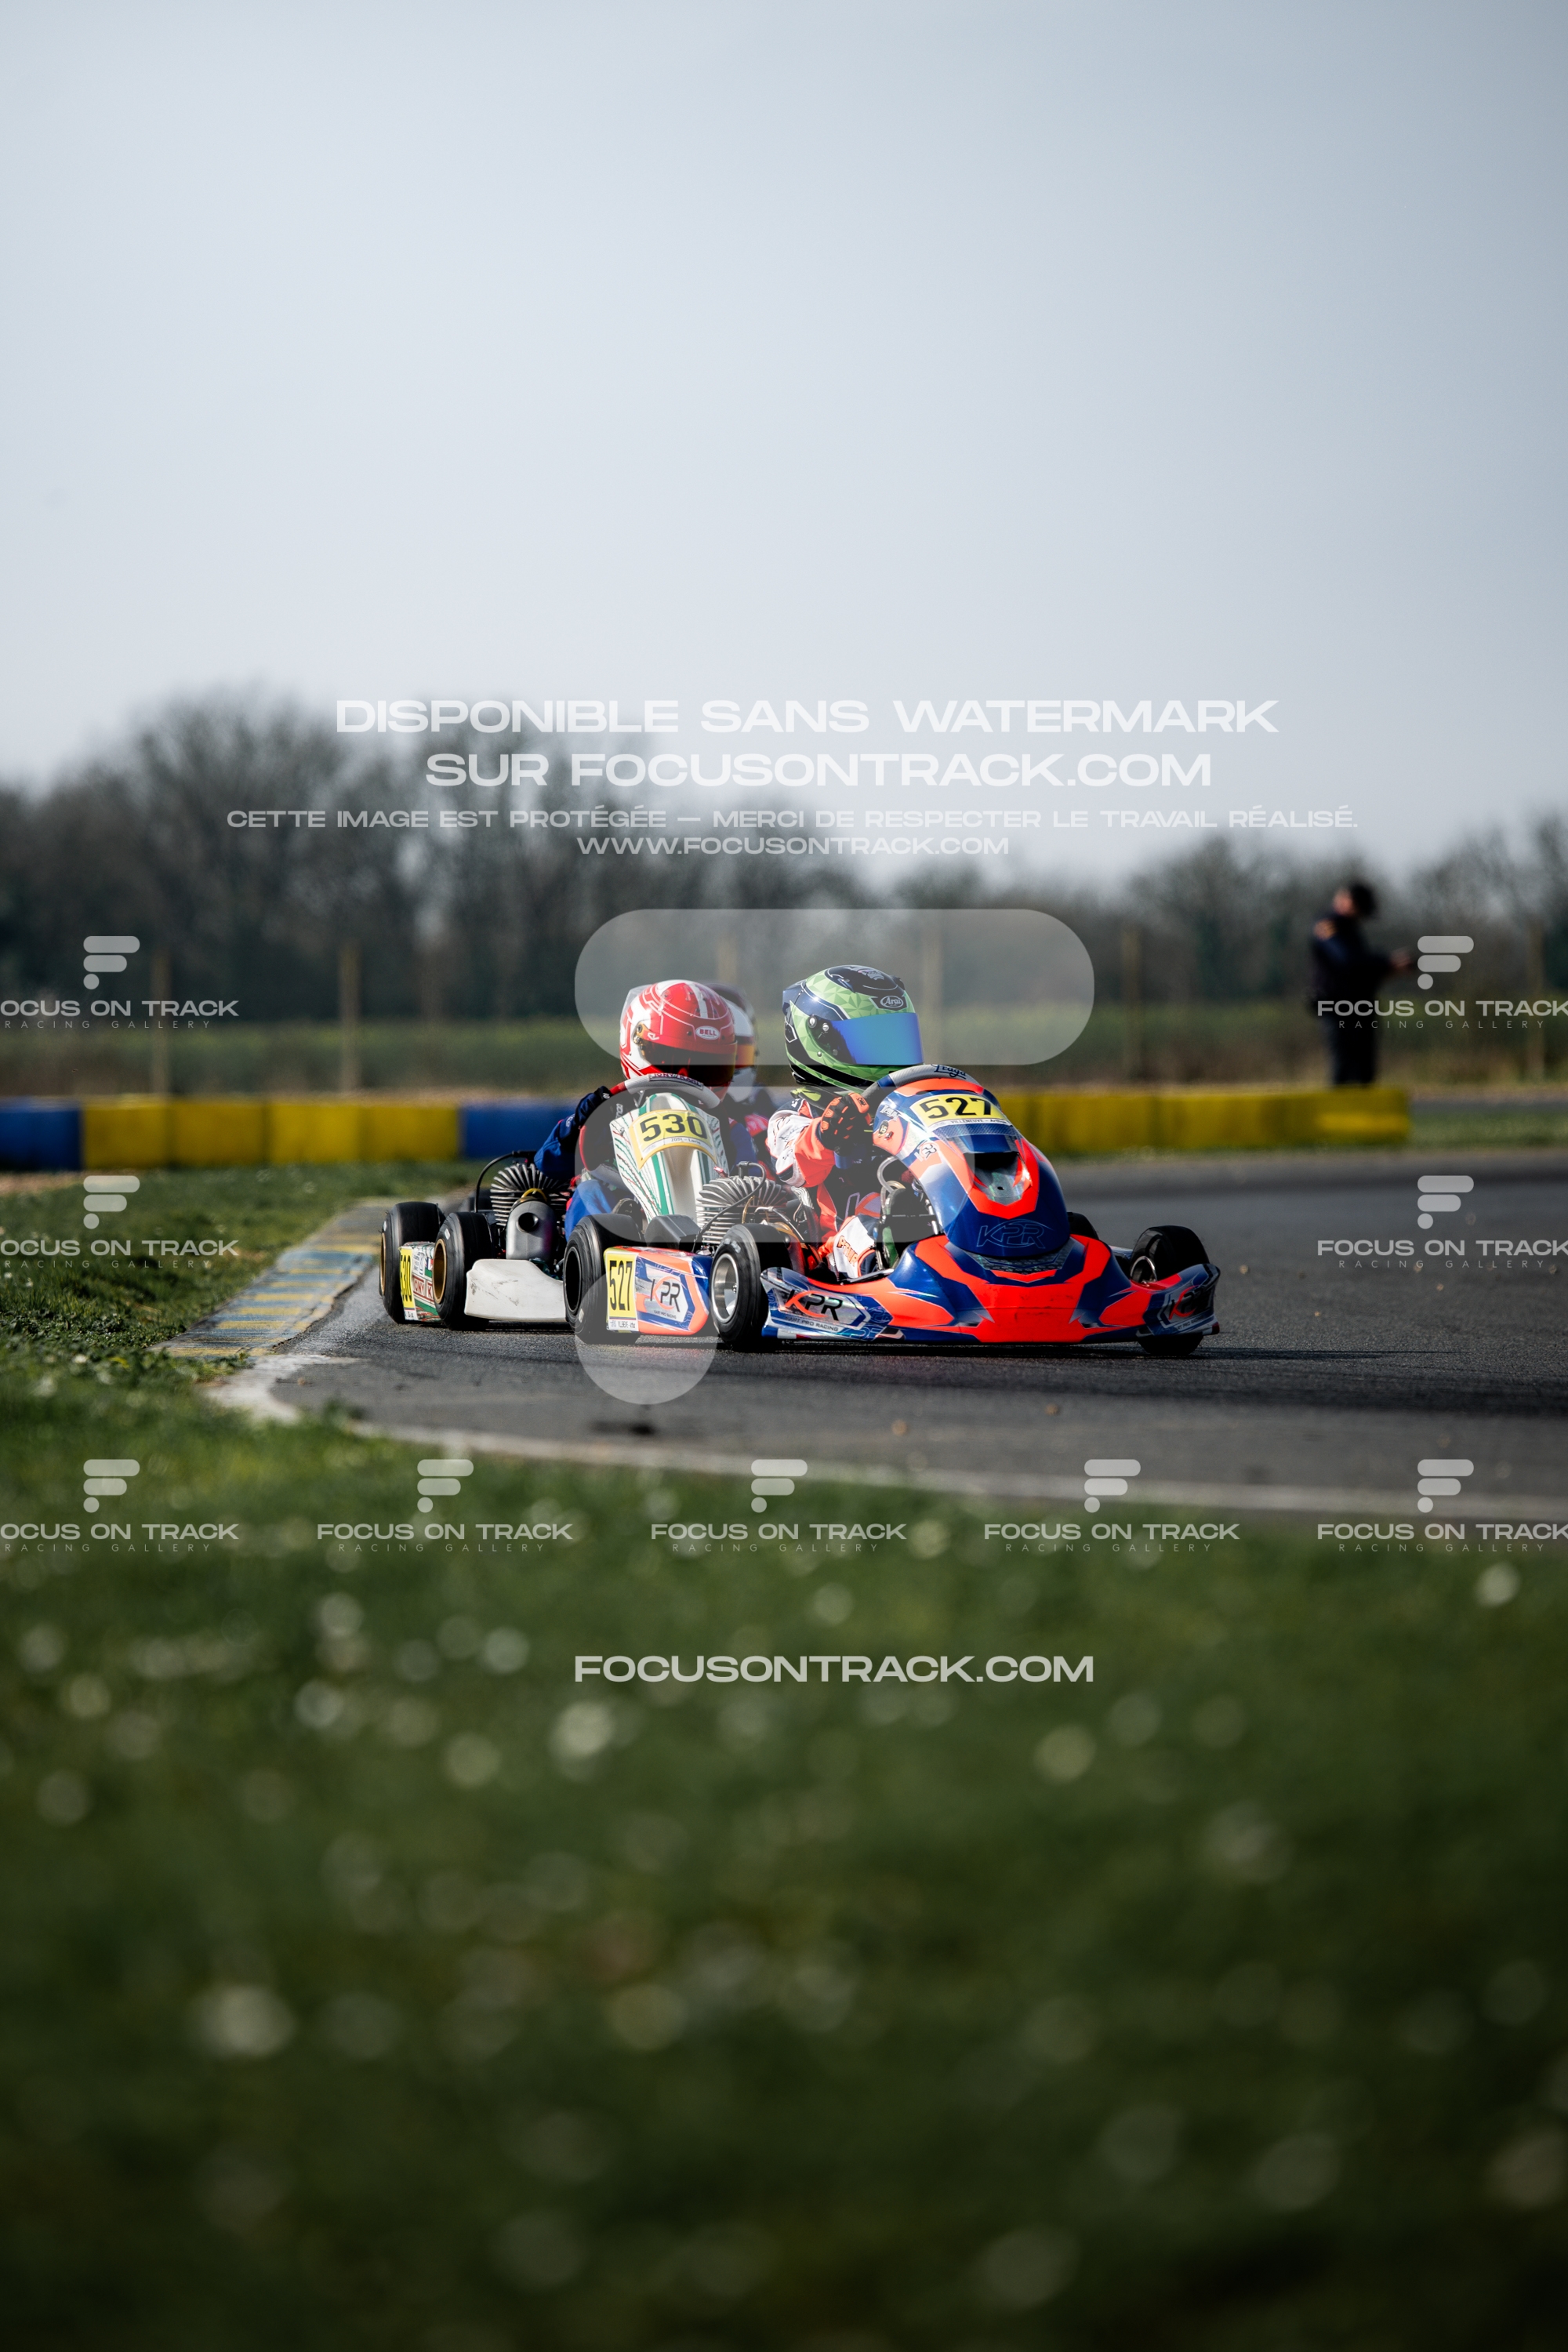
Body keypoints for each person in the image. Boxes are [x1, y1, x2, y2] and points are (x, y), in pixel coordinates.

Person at [767, 965, 926, 1274]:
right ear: (820, 1044)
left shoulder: (912, 1105)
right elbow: (792, 1167)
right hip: (836, 1244)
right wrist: (826, 1135)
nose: (889, 1053)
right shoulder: (795, 1116)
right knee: (870, 1222)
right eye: (871, 1042)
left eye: (896, 1039)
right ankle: (888, 1266)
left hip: (923, 1215)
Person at [535, 980, 738, 1218]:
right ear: (637, 1043)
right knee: (589, 1192)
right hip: (625, 1212)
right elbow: (548, 1163)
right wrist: (579, 1125)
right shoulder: (611, 1112)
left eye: (709, 1065)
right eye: (674, 1058)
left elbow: (750, 1177)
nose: (685, 1075)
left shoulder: (723, 1125)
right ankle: (600, 1239)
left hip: (706, 1214)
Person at [1309, 881, 1412, 1086]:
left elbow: (1359, 970)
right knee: (1343, 1065)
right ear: (1349, 901)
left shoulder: (1350, 930)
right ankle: (1339, 1106)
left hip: (1359, 1003)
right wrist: (1387, 962)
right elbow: (1347, 961)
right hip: (1336, 1003)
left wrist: (1390, 969)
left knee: (1365, 1068)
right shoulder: (1329, 924)